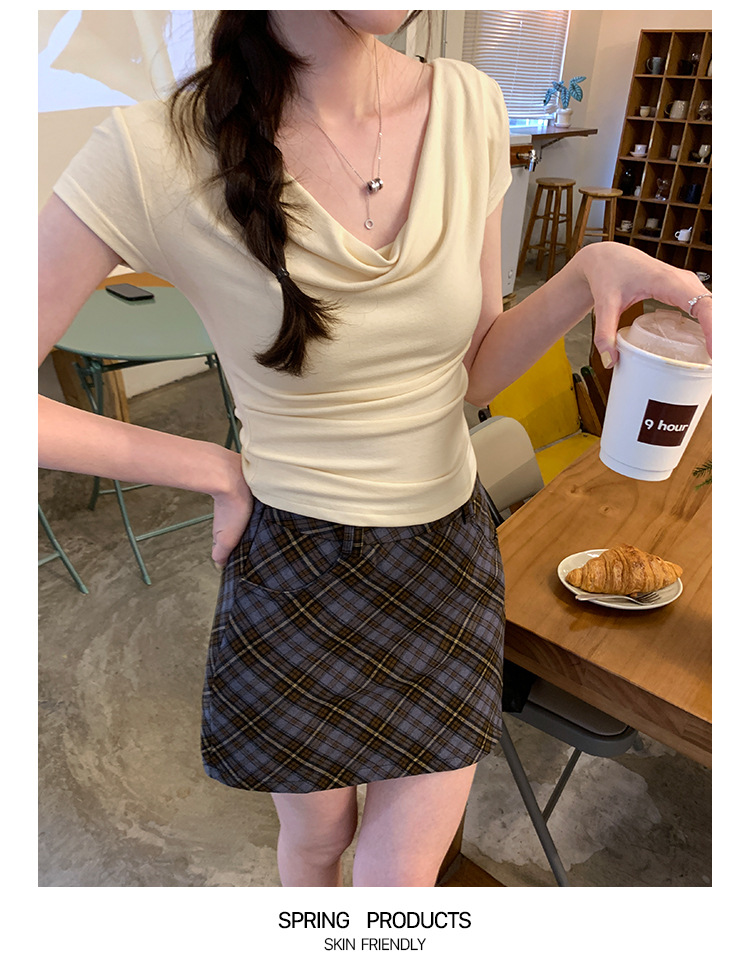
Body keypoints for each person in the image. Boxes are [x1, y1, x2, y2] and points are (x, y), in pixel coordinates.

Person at [38, 10, 712, 887]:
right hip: (293, 568)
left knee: (401, 882)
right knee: (318, 843)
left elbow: (472, 373)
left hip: (447, 557)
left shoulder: (471, 106)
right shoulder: (150, 151)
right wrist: (209, 466)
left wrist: (584, 275)